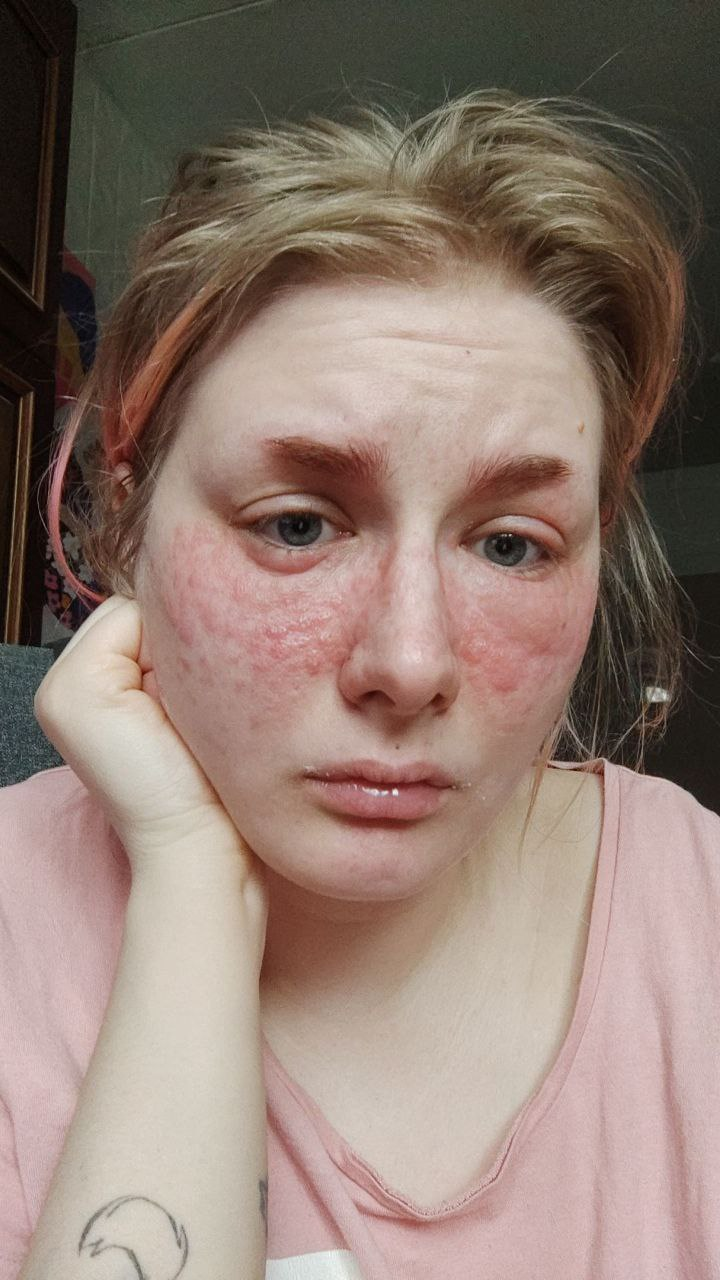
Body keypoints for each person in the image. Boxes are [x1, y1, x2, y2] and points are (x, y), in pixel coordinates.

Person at [1, 89, 718, 1280]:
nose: (411, 662)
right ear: (128, 525)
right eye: (297, 523)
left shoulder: (697, 910)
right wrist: (189, 886)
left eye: (510, 544)